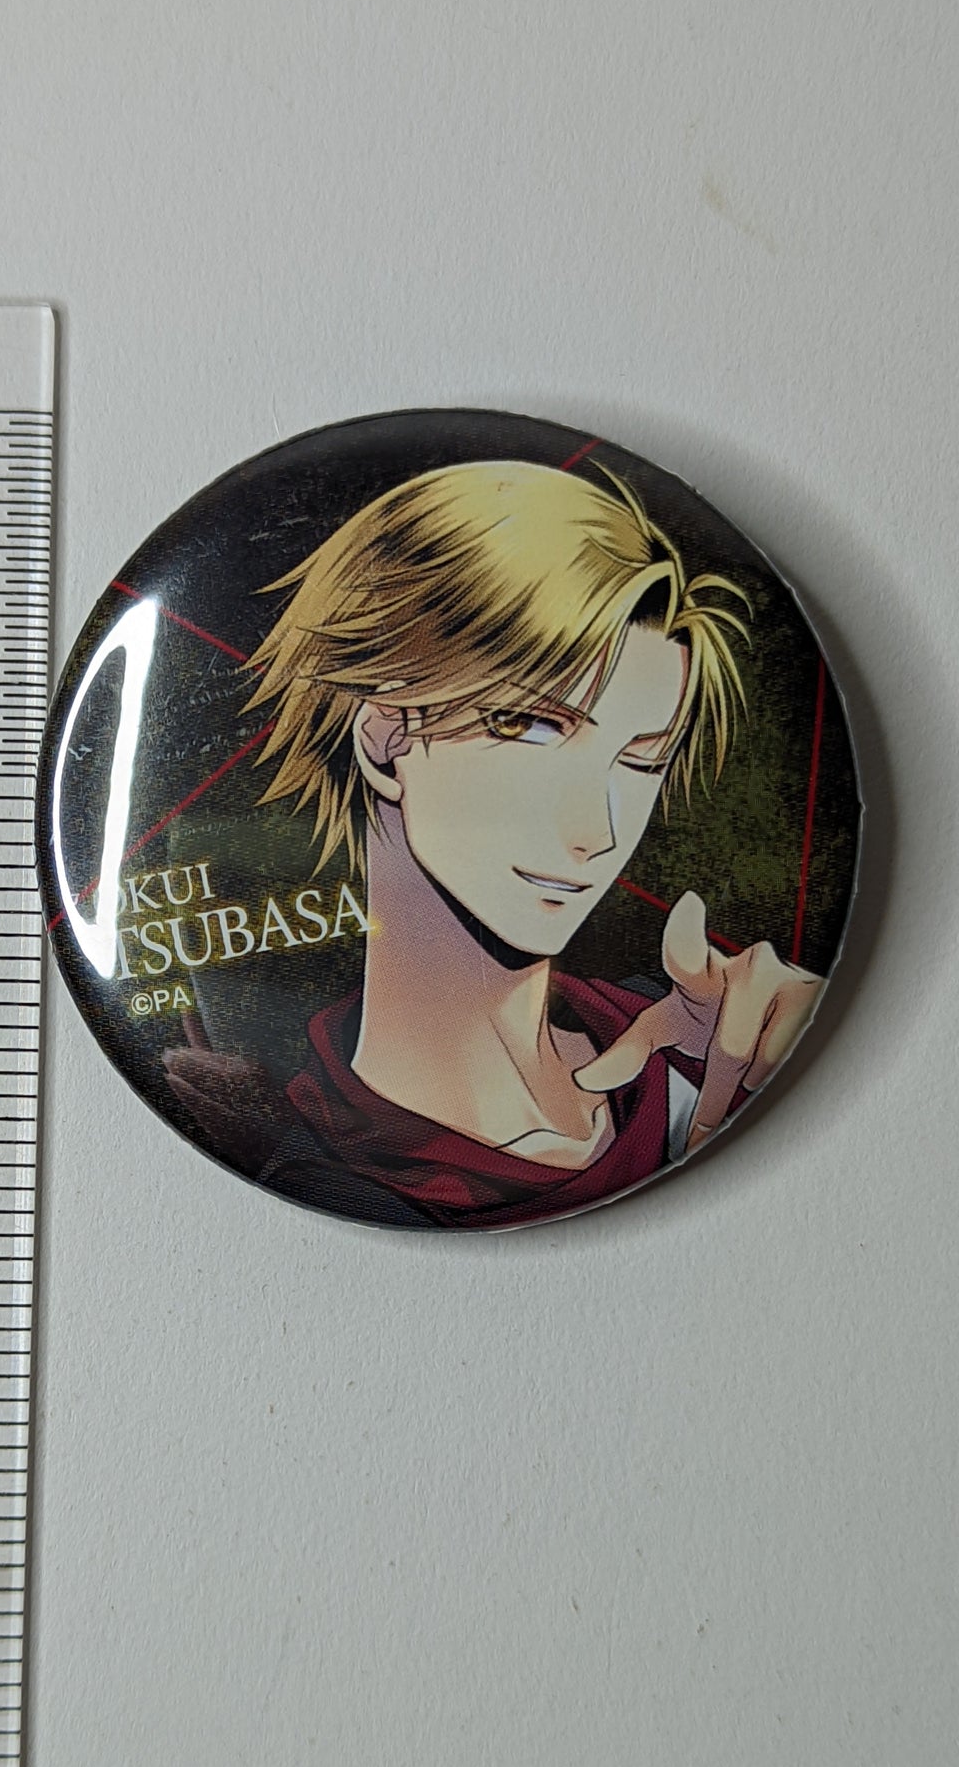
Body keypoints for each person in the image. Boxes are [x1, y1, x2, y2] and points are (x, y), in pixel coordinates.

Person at [164, 459, 822, 1229]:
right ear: (384, 738)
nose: (598, 831)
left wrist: (789, 1064)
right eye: (530, 727)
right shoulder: (308, 1166)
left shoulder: (698, 1045)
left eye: (642, 759)